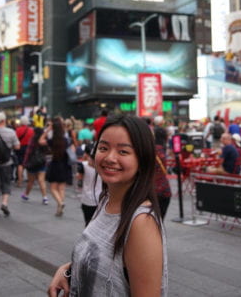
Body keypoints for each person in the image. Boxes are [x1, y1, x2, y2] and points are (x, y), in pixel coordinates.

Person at [48, 115, 168, 297]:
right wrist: (66, 272)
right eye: (103, 148)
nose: (110, 158)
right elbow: (100, 260)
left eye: (123, 152)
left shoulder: (141, 222)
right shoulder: (106, 200)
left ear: (142, 160)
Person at [39, 117, 69, 217]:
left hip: (55, 164)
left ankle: (60, 203)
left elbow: (40, 141)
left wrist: (47, 130)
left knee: (52, 188)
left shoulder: (52, 140)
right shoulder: (65, 140)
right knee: (61, 189)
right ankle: (59, 209)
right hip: (64, 165)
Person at [21, 127, 48, 205]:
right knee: (41, 180)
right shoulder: (44, 141)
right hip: (42, 162)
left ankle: (26, 194)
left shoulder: (32, 140)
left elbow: (28, 152)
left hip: (32, 162)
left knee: (31, 181)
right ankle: (45, 197)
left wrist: (24, 163)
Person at [76, 143, 102, 226]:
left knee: (88, 223)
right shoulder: (103, 167)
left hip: (87, 199)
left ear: (87, 154)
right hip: (101, 199)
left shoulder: (83, 166)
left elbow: (79, 177)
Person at [154, 126, 171, 220]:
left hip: (151, 191)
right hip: (165, 189)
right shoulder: (163, 150)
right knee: (160, 221)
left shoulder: (149, 149)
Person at [15, 115, 34, 187]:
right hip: (29, 148)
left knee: (20, 164)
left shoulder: (18, 130)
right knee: (28, 164)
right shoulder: (31, 130)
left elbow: (15, 140)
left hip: (20, 147)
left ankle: (20, 181)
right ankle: (30, 181)